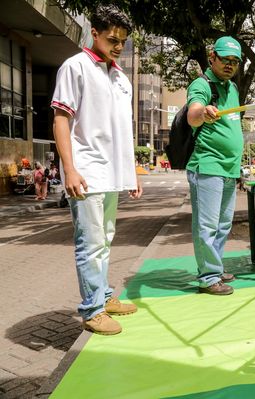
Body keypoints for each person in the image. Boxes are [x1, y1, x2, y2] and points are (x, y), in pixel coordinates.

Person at [52, 5, 142, 335]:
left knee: (105, 238)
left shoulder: (120, 77)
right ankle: (92, 309)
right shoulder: (74, 67)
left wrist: (130, 171)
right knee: (89, 243)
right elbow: (61, 119)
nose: (118, 46)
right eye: (111, 39)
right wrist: (70, 169)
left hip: (112, 171)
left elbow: (122, 128)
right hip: (86, 169)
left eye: (122, 42)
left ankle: (103, 296)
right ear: (94, 33)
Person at [186, 36, 244, 295]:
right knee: (207, 225)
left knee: (223, 225)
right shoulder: (202, 84)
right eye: (225, 59)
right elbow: (193, 114)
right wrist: (203, 113)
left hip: (229, 168)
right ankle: (209, 277)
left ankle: (215, 267)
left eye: (235, 61)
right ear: (212, 58)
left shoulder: (232, 89)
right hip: (208, 165)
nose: (230, 65)